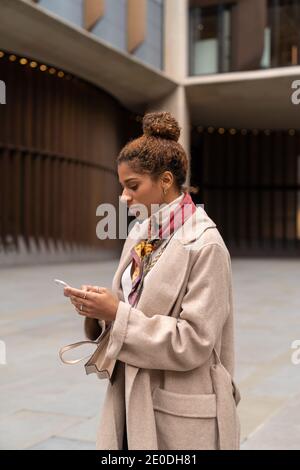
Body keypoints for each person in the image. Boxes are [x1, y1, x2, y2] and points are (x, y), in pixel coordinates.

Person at [64, 111, 241, 450]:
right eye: (122, 187)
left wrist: (118, 314)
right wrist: (99, 309)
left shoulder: (206, 244)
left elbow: (194, 342)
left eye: (133, 186)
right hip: (129, 397)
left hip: (181, 413)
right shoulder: (140, 233)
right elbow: (129, 308)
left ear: (165, 181)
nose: (123, 197)